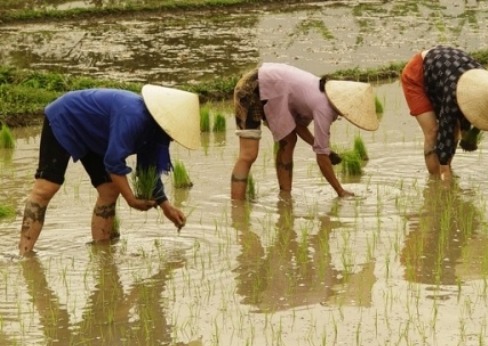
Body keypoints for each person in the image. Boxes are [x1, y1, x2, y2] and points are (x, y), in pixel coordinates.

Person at [18, 84, 201, 255]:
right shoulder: (133, 116)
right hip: (66, 117)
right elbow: (113, 161)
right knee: (46, 188)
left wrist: (166, 207)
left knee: (109, 189)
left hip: (95, 134)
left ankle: (101, 253)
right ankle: (24, 255)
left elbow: (148, 169)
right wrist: (130, 199)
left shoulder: (155, 132)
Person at [230, 62, 379, 200]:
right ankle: (237, 209)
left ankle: (285, 196)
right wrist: (340, 191)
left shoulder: (324, 94)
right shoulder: (324, 109)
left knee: (289, 140)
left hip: (267, 85)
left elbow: (298, 127)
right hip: (251, 88)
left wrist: (327, 151)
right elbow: (321, 157)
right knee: (248, 154)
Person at [400, 45, 488, 180]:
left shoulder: (486, 85)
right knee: (433, 131)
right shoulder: (454, 91)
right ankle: (435, 180)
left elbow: (476, 113)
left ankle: (441, 171)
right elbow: (446, 126)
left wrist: (466, 132)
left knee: (455, 130)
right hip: (417, 74)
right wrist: (445, 171)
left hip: (443, 74)